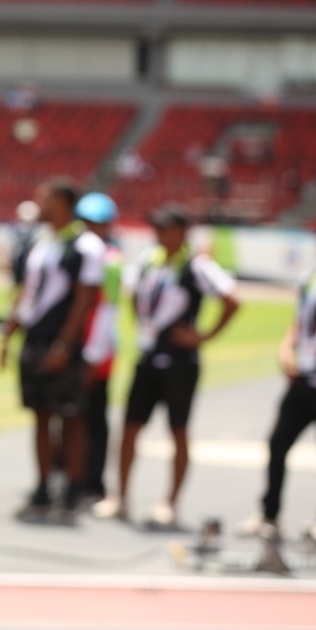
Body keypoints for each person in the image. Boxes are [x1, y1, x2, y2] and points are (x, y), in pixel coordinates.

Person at [94, 204, 239, 527]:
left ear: (182, 233)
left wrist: (203, 336)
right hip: (147, 360)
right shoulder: (148, 261)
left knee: (178, 431)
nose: (159, 235)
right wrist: (145, 326)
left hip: (179, 364)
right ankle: (121, 497)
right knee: (130, 427)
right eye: (157, 229)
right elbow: (133, 296)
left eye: (166, 229)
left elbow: (231, 299)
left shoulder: (197, 266)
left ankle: (170, 502)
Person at [0, 178, 105, 521]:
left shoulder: (86, 245)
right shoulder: (42, 241)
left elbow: (84, 299)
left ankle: (74, 487)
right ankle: (43, 485)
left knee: (71, 418)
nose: (38, 203)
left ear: (61, 202)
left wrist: (65, 344)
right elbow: (27, 292)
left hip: (63, 344)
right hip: (35, 340)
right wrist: (9, 333)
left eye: (43, 197)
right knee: (41, 416)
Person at [238, 267, 316, 540]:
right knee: (277, 443)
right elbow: (300, 319)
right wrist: (287, 347)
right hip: (304, 380)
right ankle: (269, 515)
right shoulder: (311, 276)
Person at [74, 192, 123, 502]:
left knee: (94, 416)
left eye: (97, 224)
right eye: (86, 222)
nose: (91, 229)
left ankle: (93, 482)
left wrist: (93, 354)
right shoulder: (78, 253)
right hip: (77, 345)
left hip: (97, 349)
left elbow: (108, 310)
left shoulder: (111, 261)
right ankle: (72, 475)